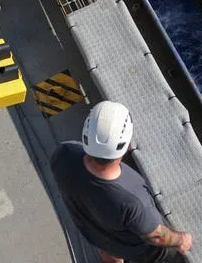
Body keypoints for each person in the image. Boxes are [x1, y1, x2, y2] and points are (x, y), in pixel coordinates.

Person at [51, 101, 193, 263]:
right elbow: (156, 236)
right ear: (127, 145)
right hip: (134, 249)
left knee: (108, 250)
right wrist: (180, 239)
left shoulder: (64, 154)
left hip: (95, 234)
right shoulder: (131, 200)